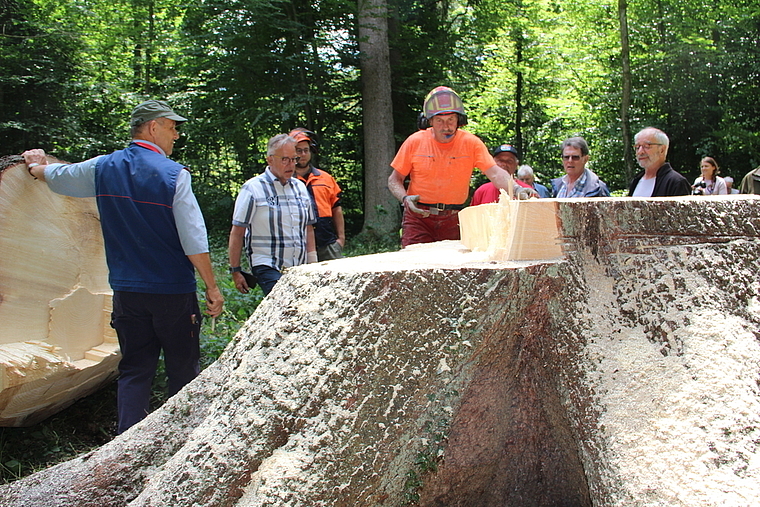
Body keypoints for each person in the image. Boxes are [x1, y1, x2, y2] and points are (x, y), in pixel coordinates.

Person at [22, 99, 224, 434]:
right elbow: (194, 241)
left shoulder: (102, 168)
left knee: (134, 369)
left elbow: (59, 177)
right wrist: (213, 288)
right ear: (153, 127)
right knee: (183, 369)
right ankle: (183, 440)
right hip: (172, 292)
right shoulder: (174, 176)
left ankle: (126, 443)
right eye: (172, 127)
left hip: (127, 292)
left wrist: (36, 168)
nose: (176, 136)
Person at [387, 86, 515, 247]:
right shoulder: (415, 141)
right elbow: (394, 180)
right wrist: (405, 199)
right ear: (429, 121)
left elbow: (495, 173)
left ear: (459, 120)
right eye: (439, 120)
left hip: (454, 218)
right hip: (418, 217)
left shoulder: (471, 143)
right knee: (414, 264)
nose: (445, 126)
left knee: (452, 267)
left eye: (450, 120)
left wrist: (516, 189)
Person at [228, 134, 317, 296]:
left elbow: (308, 228)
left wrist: (313, 263)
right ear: (270, 160)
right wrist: (235, 270)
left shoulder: (300, 188)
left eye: (293, 159)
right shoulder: (252, 188)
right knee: (285, 302)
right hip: (267, 264)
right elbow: (237, 231)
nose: (291, 164)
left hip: (299, 266)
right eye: (284, 159)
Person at [289, 128, 345, 261]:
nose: (303, 154)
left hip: (327, 243)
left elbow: (337, 209)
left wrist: (341, 239)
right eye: (299, 151)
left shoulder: (325, 178)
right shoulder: (285, 180)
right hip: (297, 246)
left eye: (306, 150)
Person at [628, 127, 691, 197]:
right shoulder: (636, 180)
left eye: (647, 146)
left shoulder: (676, 182)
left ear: (662, 150)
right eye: (637, 147)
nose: (640, 152)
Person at [471, 144, 535, 206]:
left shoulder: (526, 191)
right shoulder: (481, 191)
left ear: (516, 165)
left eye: (509, 161)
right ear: (493, 162)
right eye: (500, 160)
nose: (504, 164)